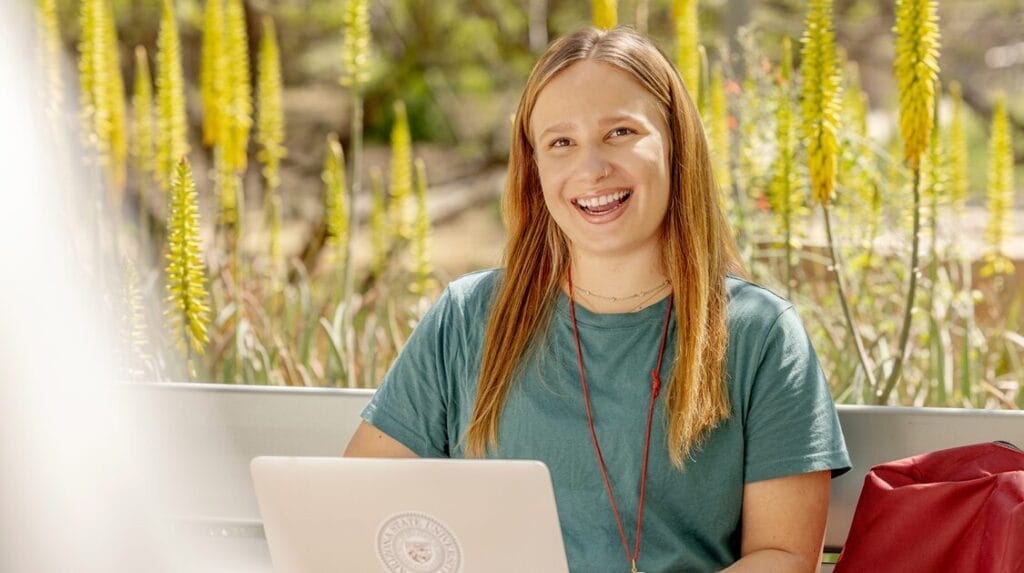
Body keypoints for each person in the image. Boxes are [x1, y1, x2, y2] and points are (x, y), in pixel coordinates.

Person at [345, 25, 850, 573]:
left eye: (619, 132)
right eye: (561, 142)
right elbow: (357, 511)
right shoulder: (467, 317)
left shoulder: (760, 333)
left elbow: (782, 557)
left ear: (676, 142)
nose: (591, 169)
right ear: (534, 168)